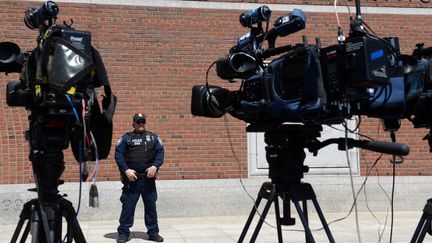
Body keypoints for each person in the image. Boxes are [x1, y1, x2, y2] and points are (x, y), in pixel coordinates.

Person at [115, 113, 165, 243]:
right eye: (138, 122)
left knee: (150, 206)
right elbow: (118, 154)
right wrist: (126, 170)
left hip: (148, 180)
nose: (141, 124)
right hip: (132, 179)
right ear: (134, 124)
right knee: (128, 206)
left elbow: (160, 152)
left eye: (143, 121)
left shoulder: (153, 138)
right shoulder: (126, 138)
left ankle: (153, 232)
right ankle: (123, 233)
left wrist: (155, 166)